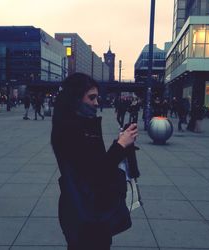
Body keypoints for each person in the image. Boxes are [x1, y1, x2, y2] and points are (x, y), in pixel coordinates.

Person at [51, 73, 138, 250]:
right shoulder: (70, 130)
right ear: (75, 98)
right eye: (92, 97)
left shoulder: (80, 125)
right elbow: (96, 174)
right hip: (86, 210)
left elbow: (96, 163)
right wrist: (121, 145)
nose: (97, 102)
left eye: (97, 97)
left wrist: (120, 142)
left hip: (85, 207)